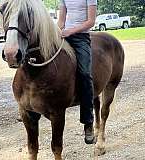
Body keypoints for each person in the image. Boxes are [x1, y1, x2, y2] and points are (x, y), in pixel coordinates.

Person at [57, 0, 97, 144]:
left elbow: (91, 22)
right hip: (65, 36)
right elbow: (61, 20)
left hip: (81, 38)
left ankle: (88, 123)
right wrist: (56, 32)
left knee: (85, 74)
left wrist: (70, 31)